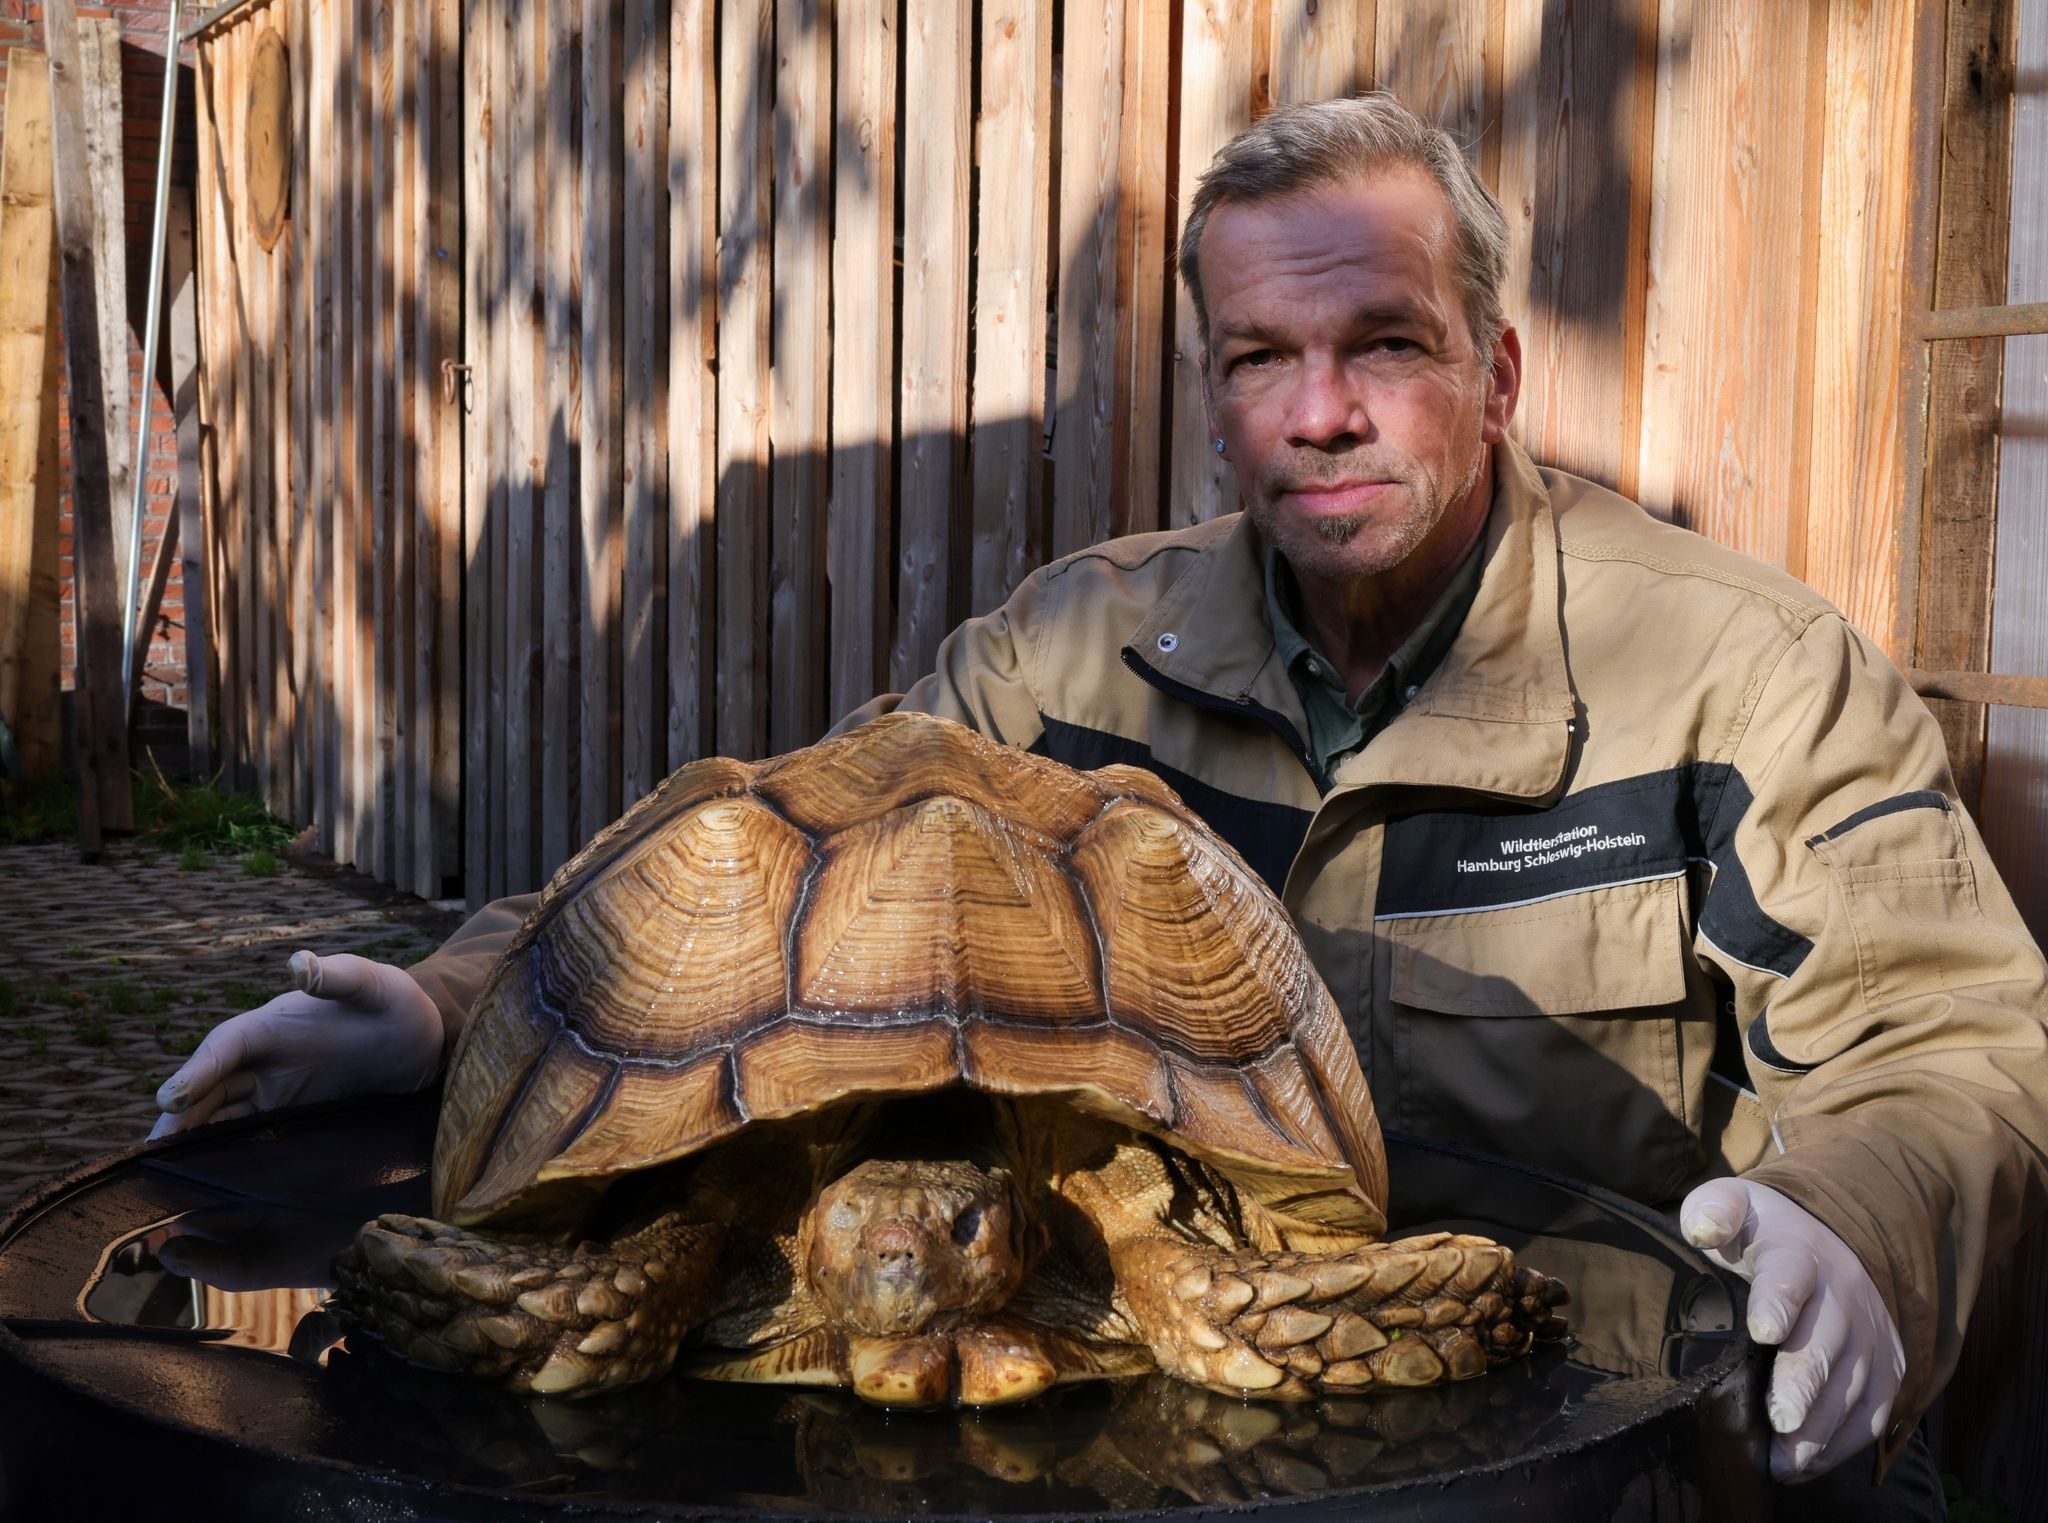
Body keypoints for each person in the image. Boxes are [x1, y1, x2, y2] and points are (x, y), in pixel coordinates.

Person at [152, 93, 2043, 1514]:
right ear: (1213, 402)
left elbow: (1948, 1038)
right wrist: (449, 1003)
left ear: (1497, 366)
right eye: (1259, 361)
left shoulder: (1741, 672)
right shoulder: (1070, 665)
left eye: (1382, 340)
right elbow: (738, 854)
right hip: (1149, 1437)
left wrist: (1855, 1223)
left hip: (1575, 1453)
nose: (1321, 412)